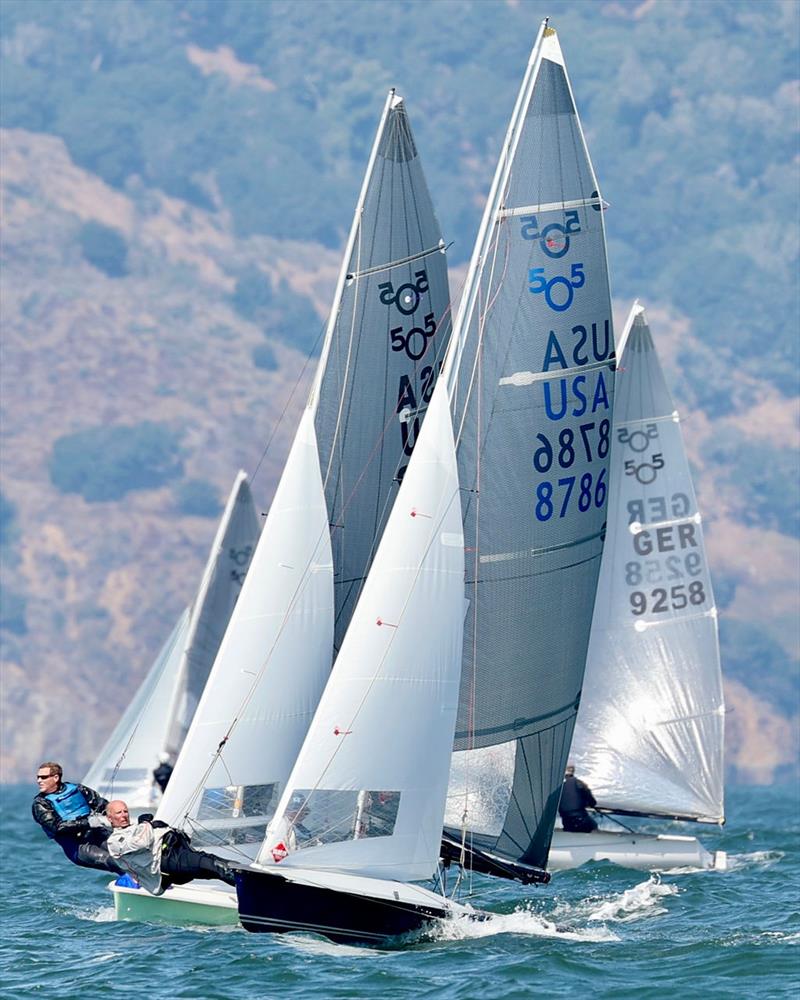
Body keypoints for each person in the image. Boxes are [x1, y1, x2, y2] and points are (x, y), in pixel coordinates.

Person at [105, 800, 236, 895]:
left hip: (175, 856)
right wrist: (146, 823)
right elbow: (141, 842)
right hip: (167, 862)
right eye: (118, 813)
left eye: (125, 811)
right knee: (215, 865)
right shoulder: (114, 841)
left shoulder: (133, 828)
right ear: (110, 818)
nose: (124, 815)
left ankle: (247, 884)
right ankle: (250, 882)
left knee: (215, 871)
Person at [32, 761, 125, 874]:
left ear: (56, 777)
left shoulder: (78, 789)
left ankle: (146, 880)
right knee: (115, 862)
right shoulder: (40, 804)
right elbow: (57, 827)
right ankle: (133, 883)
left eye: (43, 777)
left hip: (98, 834)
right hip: (78, 847)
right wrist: (88, 823)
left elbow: (103, 805)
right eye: (38, 778)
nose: (39, 781)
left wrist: (121, 820)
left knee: (130, 853)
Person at [558, 764, 598, 833]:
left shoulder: (558, 786)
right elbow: (592, 801)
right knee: (594, 826)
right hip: (580, 819)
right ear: (573, 772)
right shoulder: (579, 783)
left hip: (566, 820)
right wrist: (590, 804)